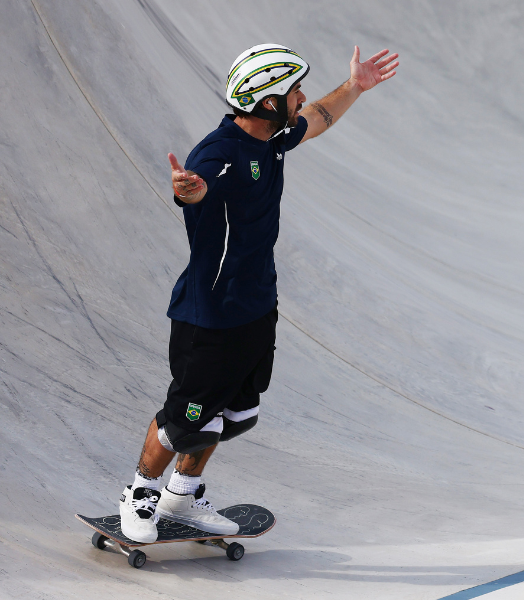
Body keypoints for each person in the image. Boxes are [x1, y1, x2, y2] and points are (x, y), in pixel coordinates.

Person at [118, 43, 399, 542]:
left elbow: (317, 116)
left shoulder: (272, 138)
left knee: (235, 415)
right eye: (293, 90)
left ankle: (182, 494)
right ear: (269, 103)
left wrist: (355, 85)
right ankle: (140, 491)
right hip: (209, 313)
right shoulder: (217, 153)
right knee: (186, 419)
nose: (302, 96)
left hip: (256, 307)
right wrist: (189, 189)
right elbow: (196, 187)